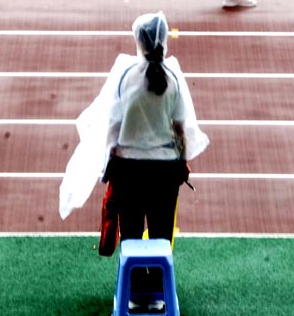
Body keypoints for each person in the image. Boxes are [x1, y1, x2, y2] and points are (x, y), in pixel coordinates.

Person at [59, 12, 209, 237]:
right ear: (164, 40)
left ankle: (133, 261)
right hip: (164, 173)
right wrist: (181, 163)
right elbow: (180, 129)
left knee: (130, 236)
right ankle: (158, 262)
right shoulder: (173, 78)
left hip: (128, 173)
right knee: (161, 237)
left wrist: (110, 163)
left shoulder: (125, 75)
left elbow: (113, 127)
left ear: (138, 41)